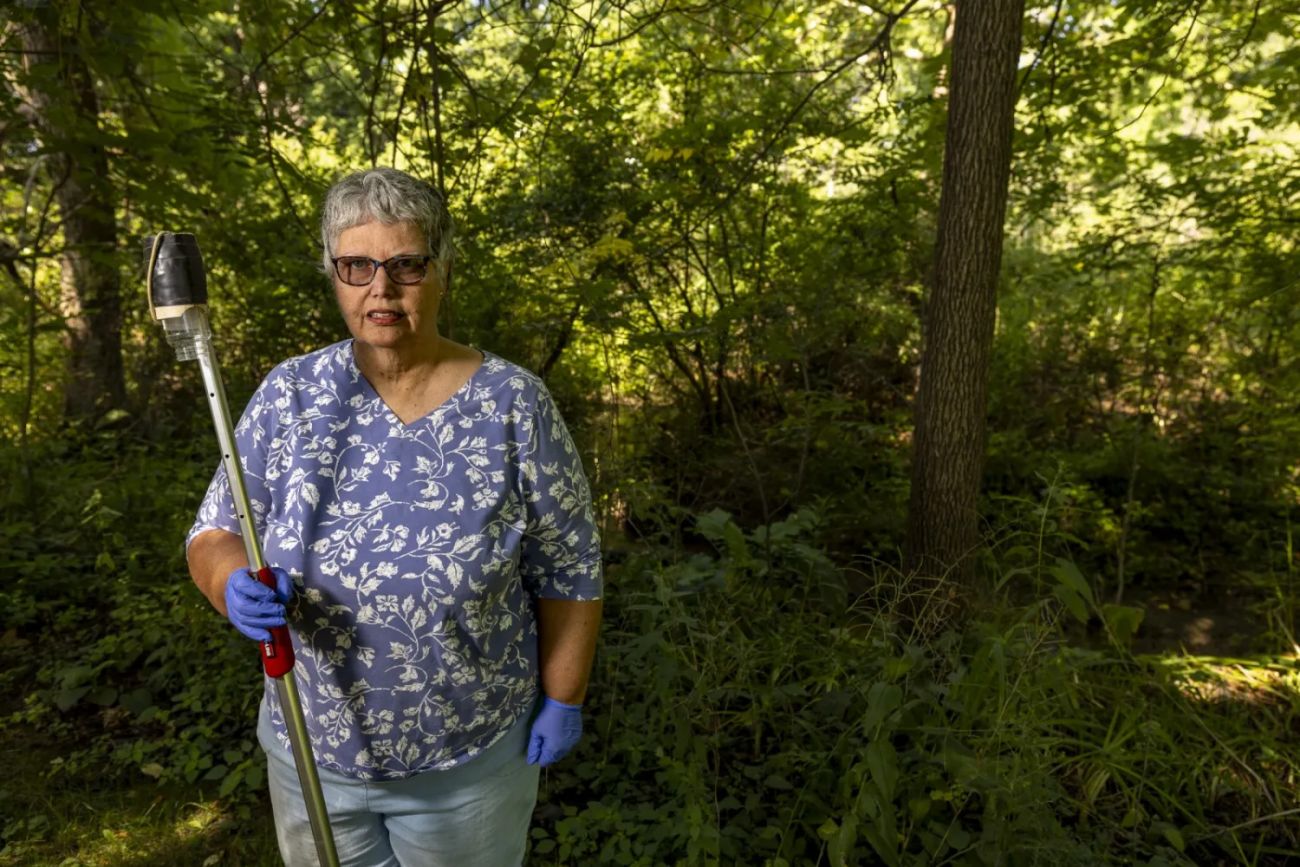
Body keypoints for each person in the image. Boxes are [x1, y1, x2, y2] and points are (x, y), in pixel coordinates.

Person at [185, 167, 603, 867]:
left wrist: (565, 694)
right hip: (312, 754)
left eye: (405, 264)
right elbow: (214, 530)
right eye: (357, 265)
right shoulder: (291, 394)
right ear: (334, 273)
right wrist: (229, 583)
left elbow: (571, 569)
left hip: (466, 766)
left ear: (441, 270)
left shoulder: (514, 404)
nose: (381, 288)